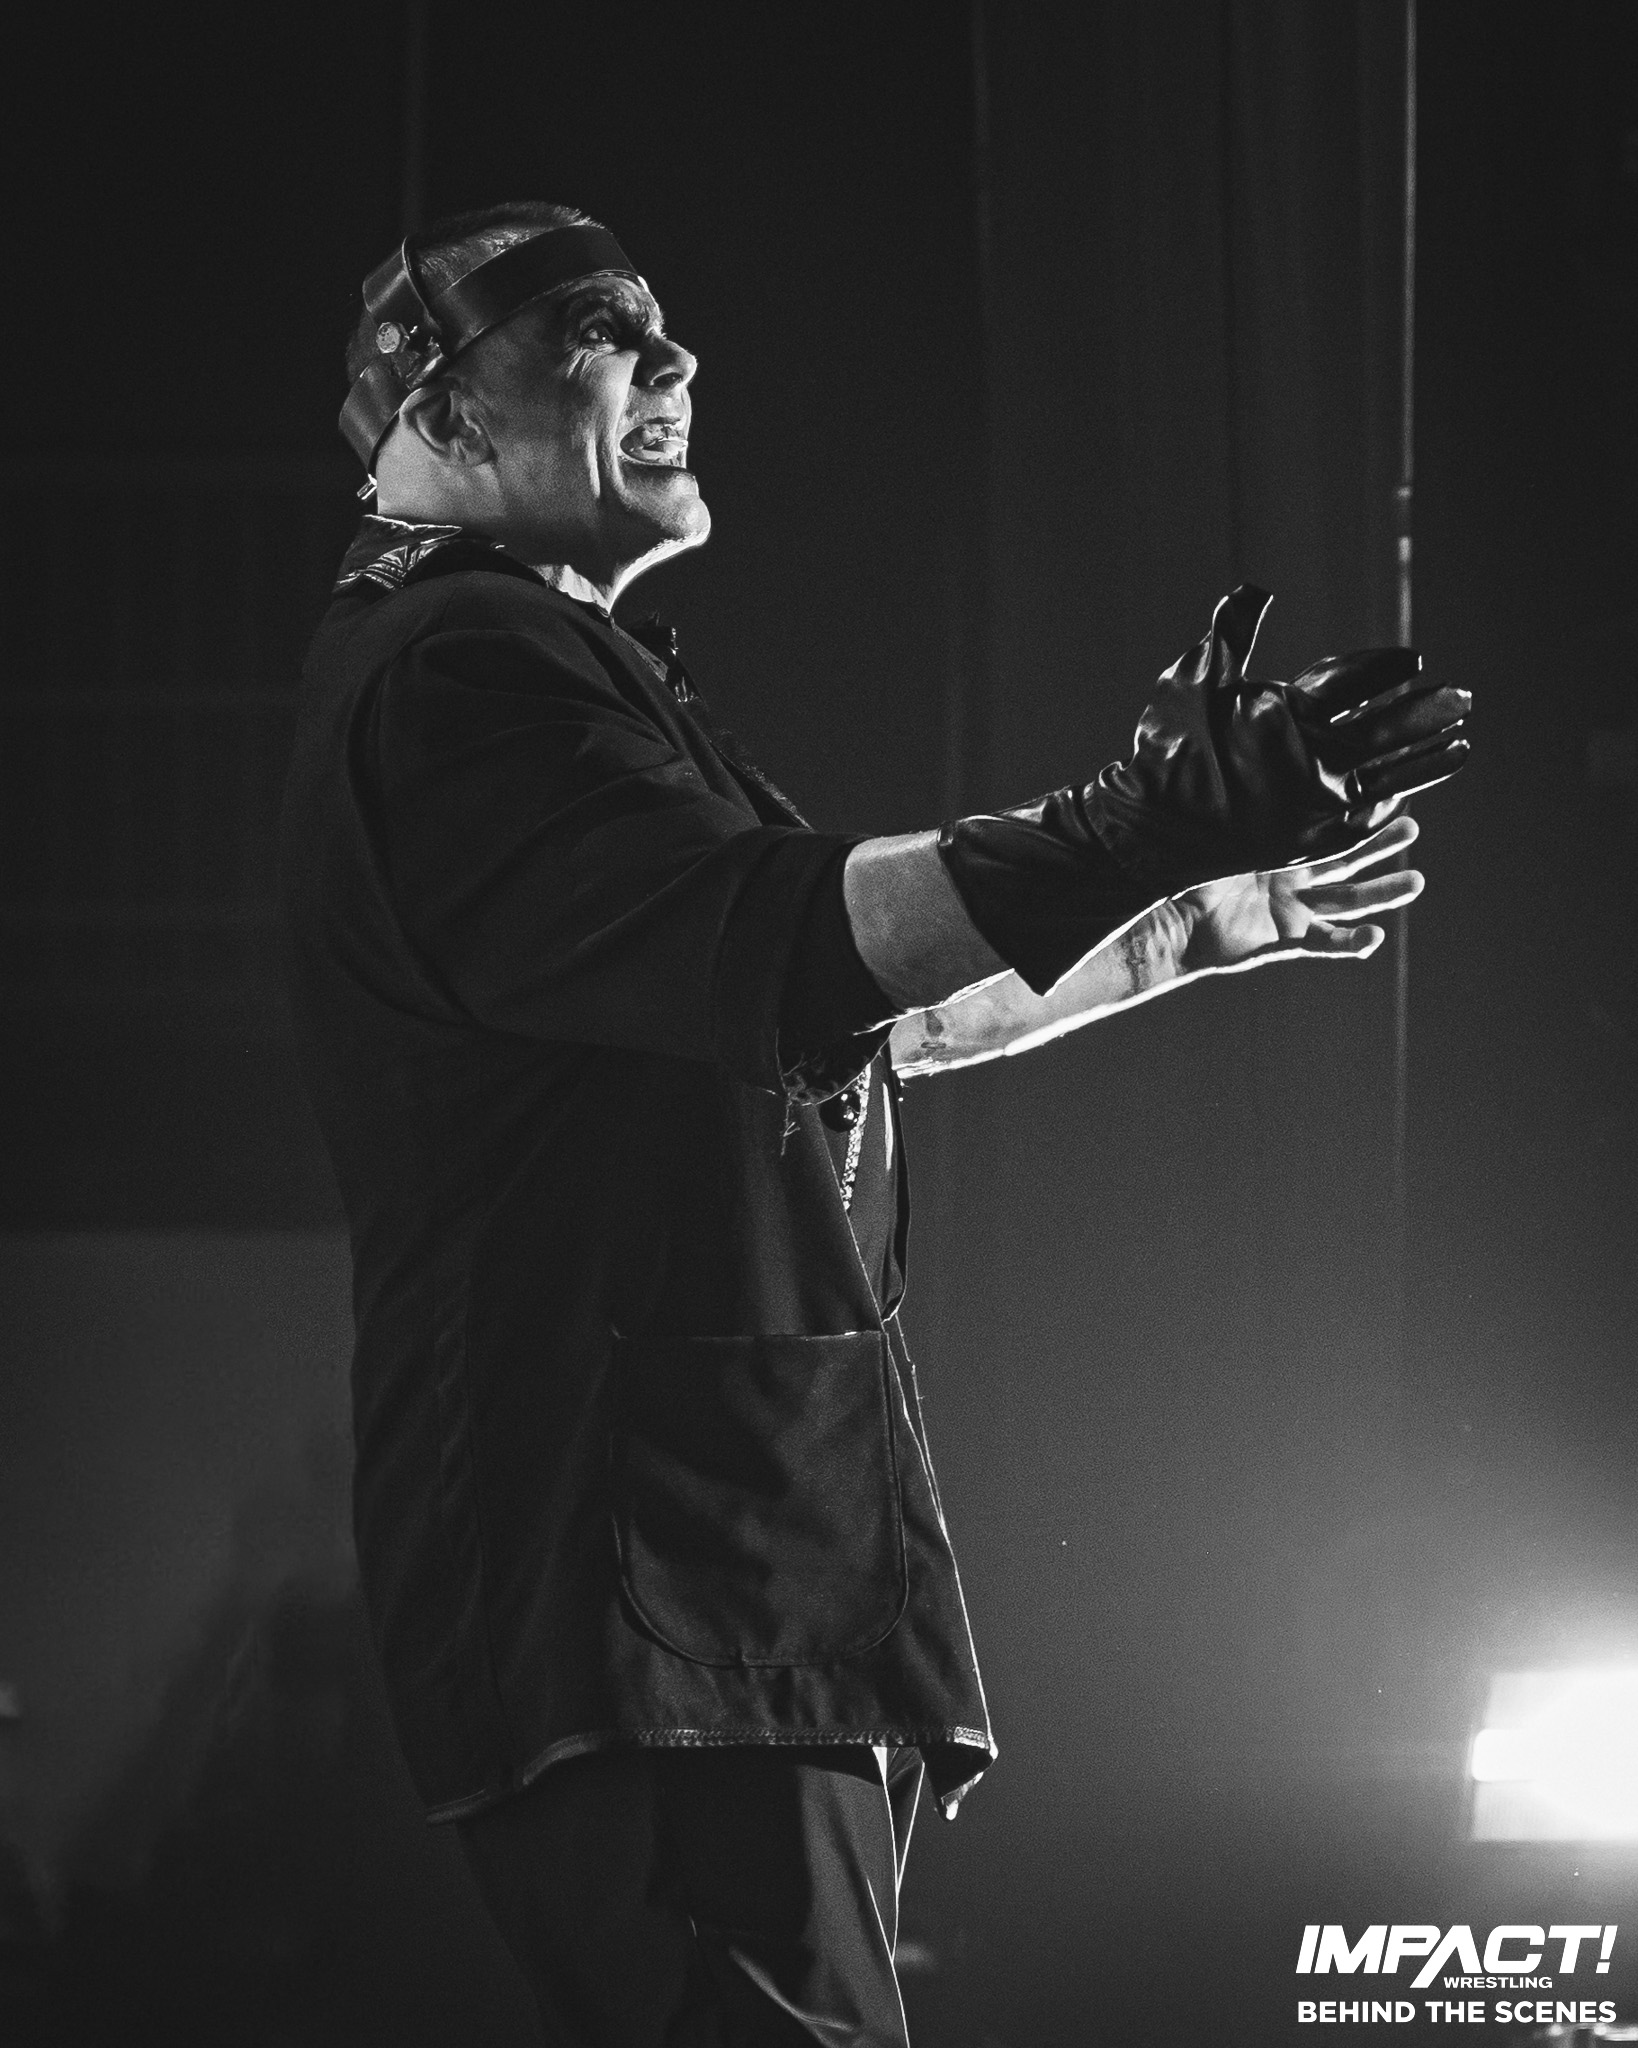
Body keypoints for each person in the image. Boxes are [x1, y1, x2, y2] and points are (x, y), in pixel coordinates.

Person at [279, 202, 1468, 2046]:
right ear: (439, 409)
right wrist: (1126, 828)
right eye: (600, 331)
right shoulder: (459, 671)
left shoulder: (536, 664)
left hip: (719, 1590)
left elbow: (839, 1005)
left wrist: (1177, 919)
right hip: (651, 1598)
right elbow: (787, 942)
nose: (675, 361)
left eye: (664, 324)